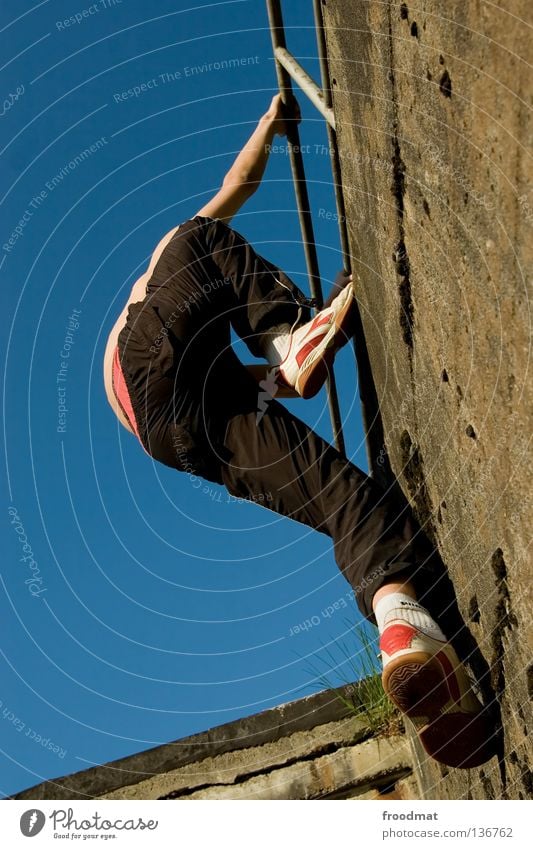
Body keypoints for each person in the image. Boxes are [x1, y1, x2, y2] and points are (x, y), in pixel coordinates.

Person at [103, 94, 494, 769]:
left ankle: (404, 624)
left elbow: (276, 383)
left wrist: (328, 327)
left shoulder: (206, 377)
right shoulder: (164, 276)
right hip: (146, 362)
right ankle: (288, 329)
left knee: (345, 498)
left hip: (174, 442)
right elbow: (234, 187)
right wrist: (269, 123)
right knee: (200, 232)